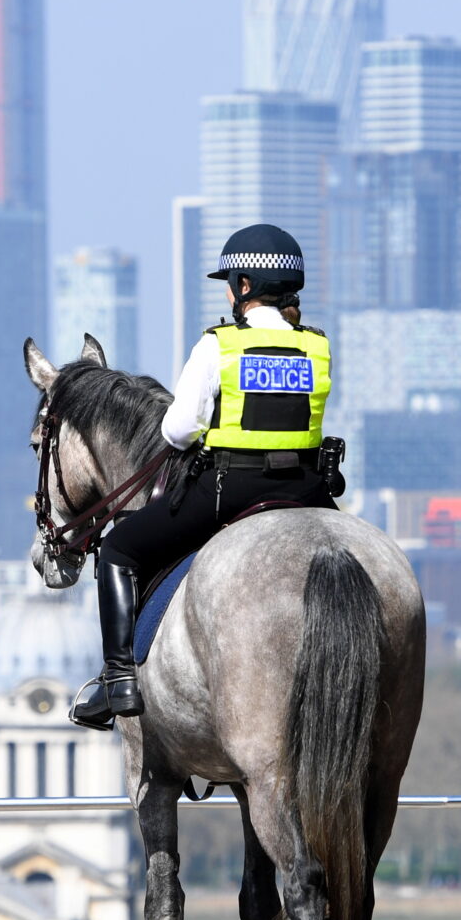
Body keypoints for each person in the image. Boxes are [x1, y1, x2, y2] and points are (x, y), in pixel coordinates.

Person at [69, 223, 337, 729]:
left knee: (119, 550)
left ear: (242, 287)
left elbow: (177, 429)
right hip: (307, 490)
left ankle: (119, 679)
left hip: (230, 491)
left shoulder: (219, 346)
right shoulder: (318, 348)